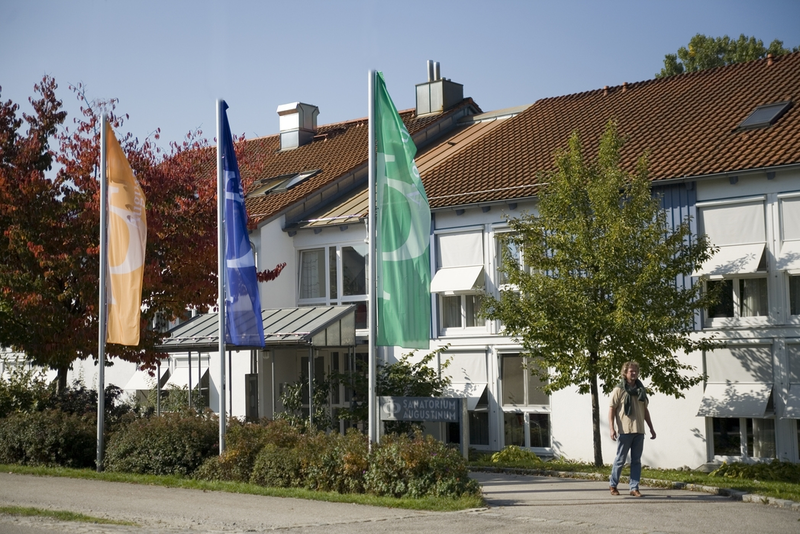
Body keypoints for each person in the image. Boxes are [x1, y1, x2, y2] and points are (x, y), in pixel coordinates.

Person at [608, 361, 656, 497]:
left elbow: (645, 410)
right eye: (631, 371)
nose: (633, 373)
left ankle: (634, 488)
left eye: (635, 371)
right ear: (625, 373)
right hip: (625, 431)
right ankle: (613, 485)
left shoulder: (641, 390)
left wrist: (651, 428)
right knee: (620, 459)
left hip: (639, 431)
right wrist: (612, 429)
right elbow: (611, 409)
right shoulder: (619, 390)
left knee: (636, 461)